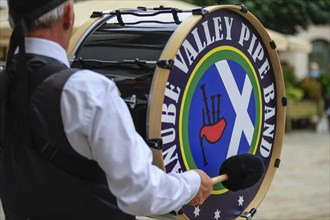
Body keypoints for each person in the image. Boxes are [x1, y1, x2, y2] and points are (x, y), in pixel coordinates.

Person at [0, 0, 213, 219]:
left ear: (12, 20)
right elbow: (140, 191)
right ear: (68, 14)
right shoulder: (85, 90)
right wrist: (192, 183)